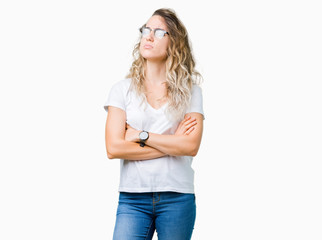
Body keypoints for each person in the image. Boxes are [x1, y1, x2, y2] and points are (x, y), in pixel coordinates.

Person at [104, 8, 204, 240]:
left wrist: (141, 135)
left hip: (177, 196)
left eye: (159, 32)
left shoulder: (191, 91)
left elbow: (190, 147)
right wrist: (171, 145)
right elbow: (114, 149)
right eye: (146, 30)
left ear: (174, 43)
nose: (148, 36)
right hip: (132, 198)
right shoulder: (121, 90)